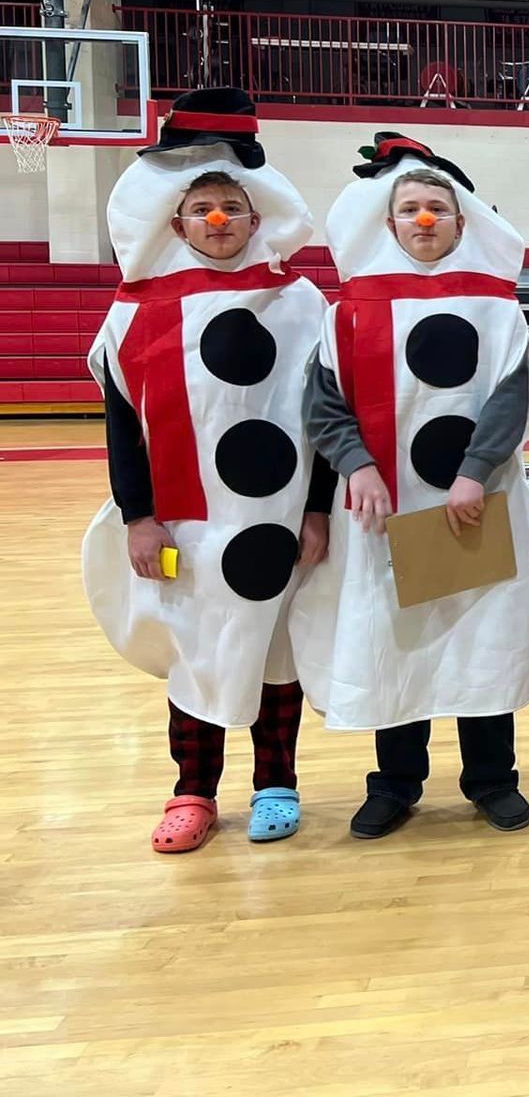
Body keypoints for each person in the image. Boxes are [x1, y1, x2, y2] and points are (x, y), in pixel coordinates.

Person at [80, 88, 332, 853]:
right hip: (186, 521)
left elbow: (325, 414)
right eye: (202, 209)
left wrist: (317, 508)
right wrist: (137, 514)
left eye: (233, 206)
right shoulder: (136, 309)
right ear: (175, 220)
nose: (218, 221)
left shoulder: (301, 303)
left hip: (277, 517)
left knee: (273, 650)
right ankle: (193, 790)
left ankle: (276, 782)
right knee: (197, 650)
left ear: (258, 218)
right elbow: (123, 419)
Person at [295, 134, 529, 839]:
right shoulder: (346, 310)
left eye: (436, 208)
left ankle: (492, 780)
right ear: (388, 223)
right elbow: (323, 404)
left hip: (475, 507)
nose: (422, 219)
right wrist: (357, 464)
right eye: (408, 208)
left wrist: (474, 473)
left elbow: (510, 396)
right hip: (386, 511)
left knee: (482, 639)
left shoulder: (496, 308)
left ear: (461, 221)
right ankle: (396, 784)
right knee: (397, 639)